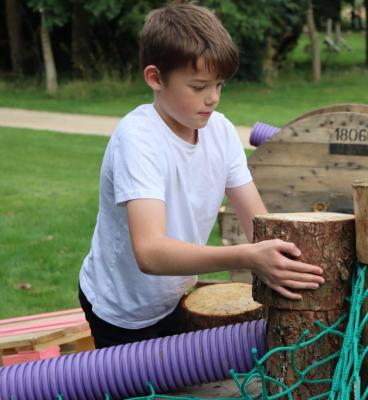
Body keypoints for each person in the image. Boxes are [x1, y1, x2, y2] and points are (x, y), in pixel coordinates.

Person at [78, 3, 325, 349]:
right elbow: (149, 252)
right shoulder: (138, 139)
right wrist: (245, 256)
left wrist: (292, 262)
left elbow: (259, 222)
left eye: (219, 85)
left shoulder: (220, 131)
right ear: (155, 78)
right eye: (198, 86)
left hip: (176, 294)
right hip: (122, 310)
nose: (212, 98)